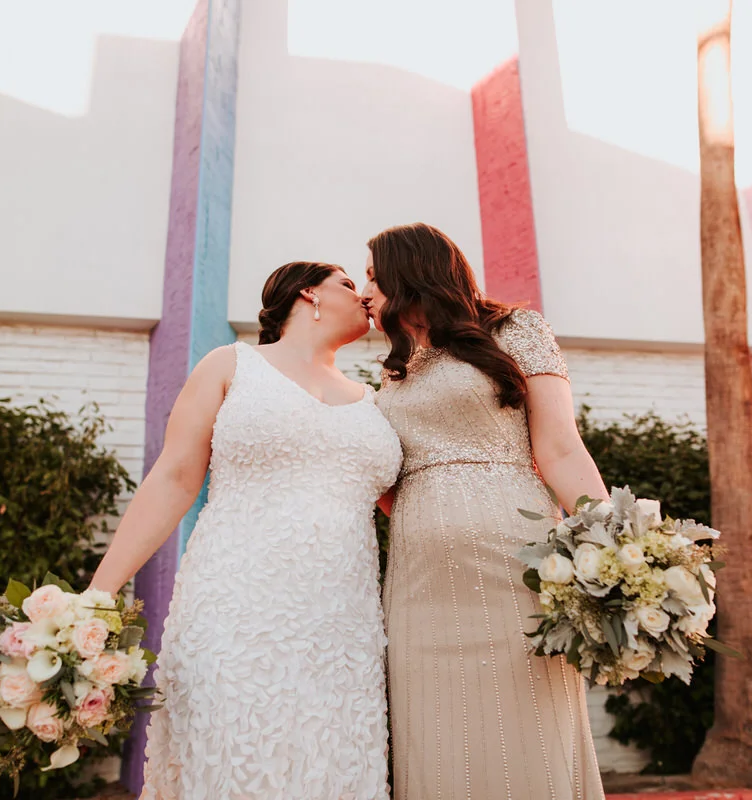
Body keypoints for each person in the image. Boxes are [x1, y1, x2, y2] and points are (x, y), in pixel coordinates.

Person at [90, 262, 402, 800]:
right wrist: (99, 593)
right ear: (309, 293)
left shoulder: (377, 402)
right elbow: (173, 478)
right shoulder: (231, 365)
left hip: (341, 633)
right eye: (350, 284)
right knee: (231, 759)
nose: (366, 297)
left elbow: (411, 510)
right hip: (234, 612)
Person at [363, 223, 608, 800]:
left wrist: (613, 539)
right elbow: (381, 479)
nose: (365, 292)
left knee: (528, 721)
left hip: (513, 562)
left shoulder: (515, 330)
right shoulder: (395, 371)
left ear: (409, 272)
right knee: (434, 728)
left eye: (373, 276)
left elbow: (561, 446)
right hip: (419, 581)